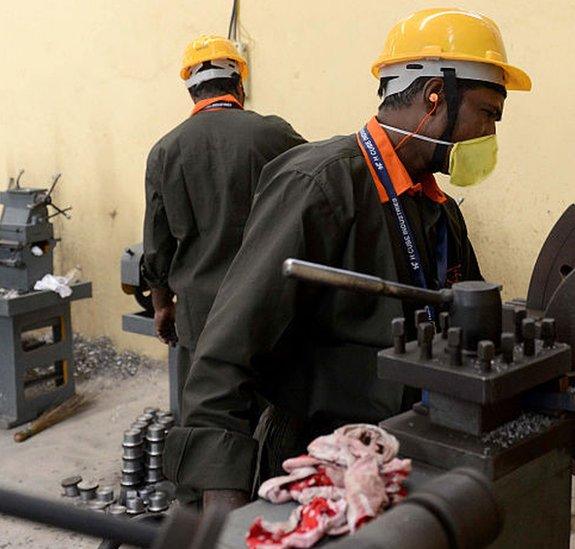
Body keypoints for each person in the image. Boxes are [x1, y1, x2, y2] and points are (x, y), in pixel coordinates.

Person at [162, 8, 531, 511]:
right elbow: (225, 358)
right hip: (315, 461)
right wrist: (222, 515)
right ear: (435, 97)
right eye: (487, 114)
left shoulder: (437, 211)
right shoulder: (319, 187)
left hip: (403, 452)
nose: (489, 135)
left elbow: (469, 317)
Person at [141, 34, 306, 405]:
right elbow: (314, 202)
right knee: (273, 414)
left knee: (207, 417)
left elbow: (157, 245)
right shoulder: (275, 134)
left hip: (200, 318)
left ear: (191, 93)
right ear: (239, 85)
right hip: (269, 307)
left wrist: (162, 305)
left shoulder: (164, 151)